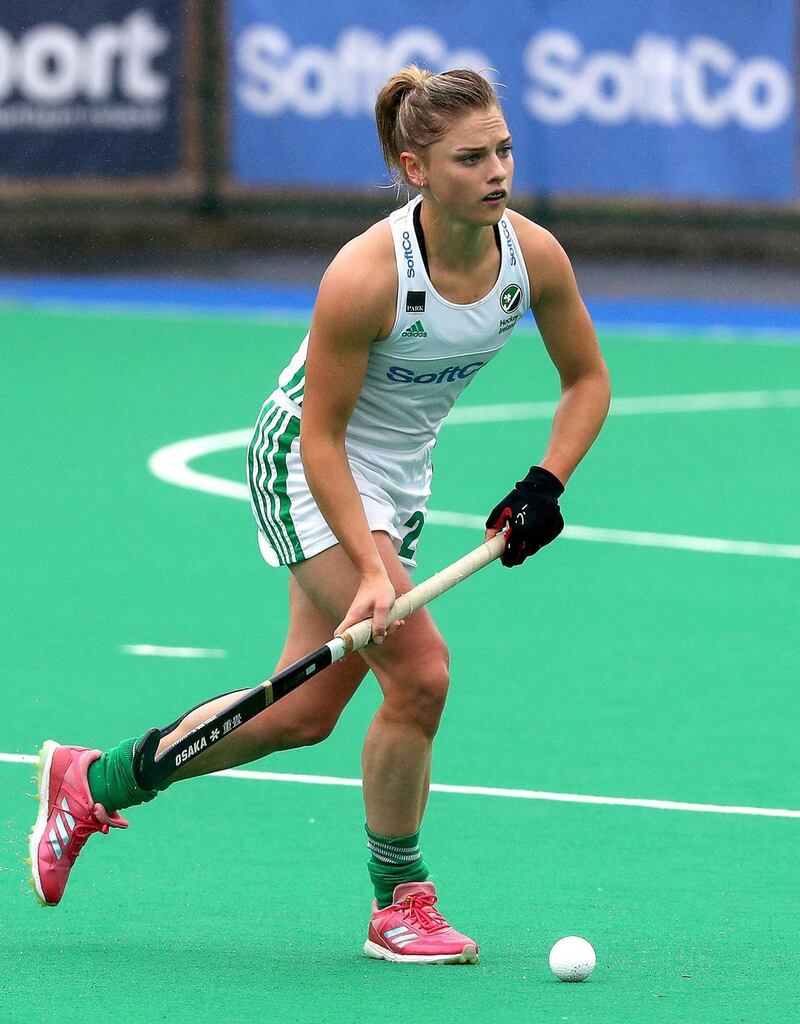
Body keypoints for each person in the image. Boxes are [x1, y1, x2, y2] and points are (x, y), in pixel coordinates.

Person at [27, 66, 610, 965]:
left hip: (396, 481)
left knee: (301, 712)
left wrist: (546, 481)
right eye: (469, 158)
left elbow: (587, 381)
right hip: (307, 459)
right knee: (420, 675)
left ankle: (91, 780)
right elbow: (323, 438)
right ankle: (400, 902)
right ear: (416, 168)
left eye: (503, 150)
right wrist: (373, 569)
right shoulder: (366, 274)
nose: (496, 171)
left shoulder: (533, 258)